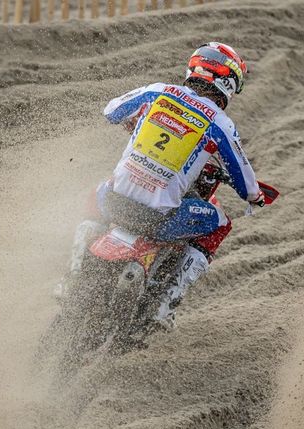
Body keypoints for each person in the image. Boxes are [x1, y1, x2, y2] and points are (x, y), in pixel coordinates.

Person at [72, 42, 269, 328]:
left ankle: (73, 275)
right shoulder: (219, 123)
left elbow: (111, 111)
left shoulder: (158, 91)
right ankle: (165, 305)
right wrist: (257, 197)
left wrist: (136, 119)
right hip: (159, 218)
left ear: (193, 69)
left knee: (96, 193)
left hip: (114, 202)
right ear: (228, 82)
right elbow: (246, 185)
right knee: (221, 223)